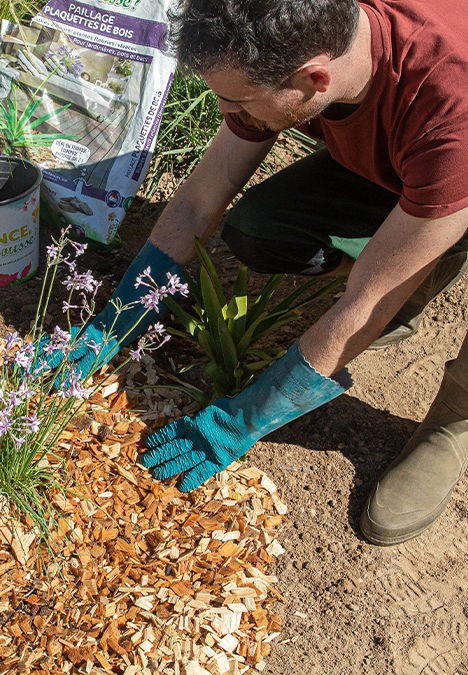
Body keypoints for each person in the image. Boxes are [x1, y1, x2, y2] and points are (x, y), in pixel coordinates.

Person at [48, 0, 468, 545]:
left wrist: (242, 420)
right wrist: (115, 320)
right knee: (262, 229)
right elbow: (200, 203)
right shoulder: (305, 35)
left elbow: (366, 300)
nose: (227, 109)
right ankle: (429, 237)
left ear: (314, 78)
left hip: (452, 150)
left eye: (236, 98)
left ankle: (451, 429)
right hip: (421, 161)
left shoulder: (449, 112)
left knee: (383, 288)